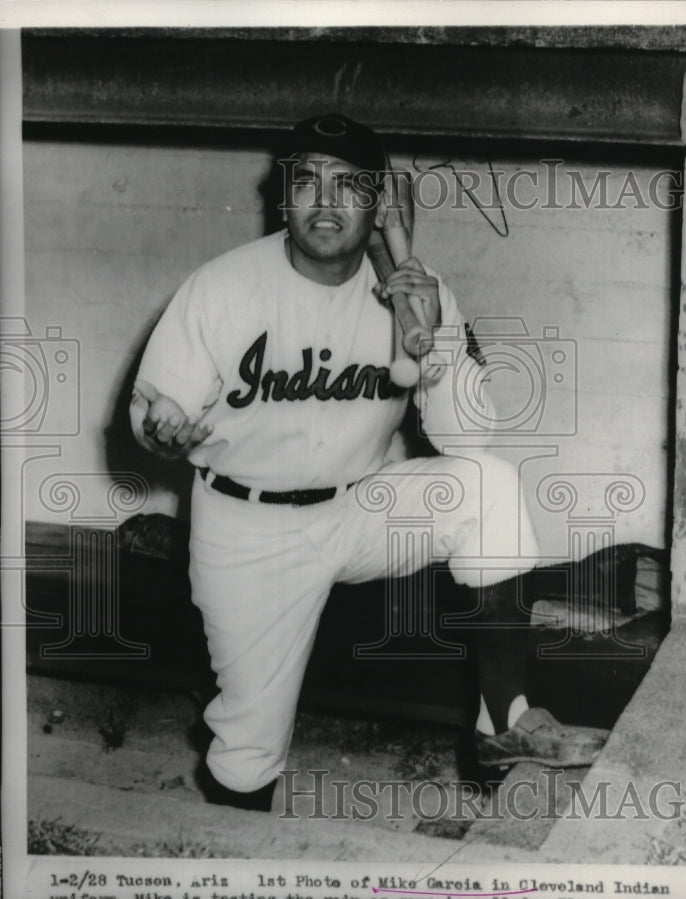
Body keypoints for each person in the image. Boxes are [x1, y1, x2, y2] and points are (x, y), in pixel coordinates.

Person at [130, 113, 608, 811]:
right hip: (247, 527)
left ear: (381, 204)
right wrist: (159, 433)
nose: (325, 203)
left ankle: (504, 721)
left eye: (348, 185)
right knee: (248, 751)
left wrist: (432, 335)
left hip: (361, 507)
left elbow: (467, 440)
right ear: (282, 195)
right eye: (308, 182)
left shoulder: (417, 292)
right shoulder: (222, 288)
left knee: (489, 487)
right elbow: (153, 416)